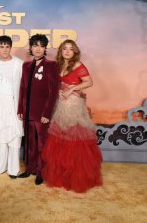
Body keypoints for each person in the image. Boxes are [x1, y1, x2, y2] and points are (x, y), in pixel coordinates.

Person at [42, 39, 103, 193]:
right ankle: (63, 176)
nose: (67, 51)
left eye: (70, 49)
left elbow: (89, 82)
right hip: (61, 105)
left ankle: (77, 176)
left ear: (75, 51)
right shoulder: (59, 65)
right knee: (60, 138)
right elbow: (55, 83)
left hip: (74, 105)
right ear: (61, 51)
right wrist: (59, 90)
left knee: (75, 139)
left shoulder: (77, 65)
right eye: (64, 49)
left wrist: (72, 89)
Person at [17, 34, 60, 185]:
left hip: (41, 114)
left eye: (41, 46)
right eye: (35, 45)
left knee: (42, 144)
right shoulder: (26, 65)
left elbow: (53, 92)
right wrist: (20, 109)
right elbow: (22, 87)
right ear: (31, 47)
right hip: (27, 112)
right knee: (29, 143)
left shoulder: (51, 65)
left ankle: (41, 172)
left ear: (45, 48)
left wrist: (47, 114)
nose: (38, 49)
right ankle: (30, 168)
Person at [0, 35, 24, 178]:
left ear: (10, 48)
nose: (4, 49)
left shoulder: (19, 63)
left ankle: (13, 169)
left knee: (14, 135)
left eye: (7, 46)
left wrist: (21, 107)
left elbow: (23, 87)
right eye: (1, 47)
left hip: (14, 103)